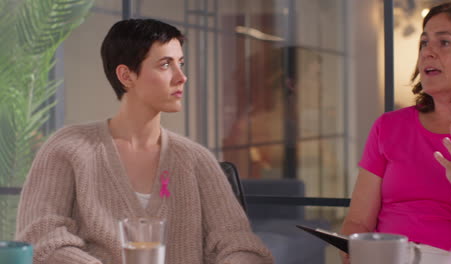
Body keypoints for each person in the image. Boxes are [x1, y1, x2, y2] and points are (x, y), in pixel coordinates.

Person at [14, 19, 274, 264]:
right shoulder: (67, 148)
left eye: (180, 63)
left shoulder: (197, 160)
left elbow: (241, 247)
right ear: (126, 76)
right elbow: (41, 237)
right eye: (165, 65)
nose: (181, 77)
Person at [341, 1, 451, 264]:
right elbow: (357, 221)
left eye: (443, 42)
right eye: (423, 43)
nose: (427, 53)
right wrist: (352, 255)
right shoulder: (388, 127)